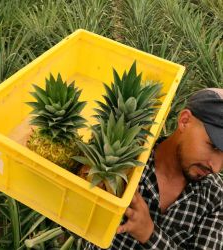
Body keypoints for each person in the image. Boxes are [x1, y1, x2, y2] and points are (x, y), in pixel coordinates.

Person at [85, 88, 223, 249]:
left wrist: (149, 234)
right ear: (184, 120)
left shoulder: (216, 198)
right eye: (213, 146)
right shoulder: (124, 161)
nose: (216, 167)